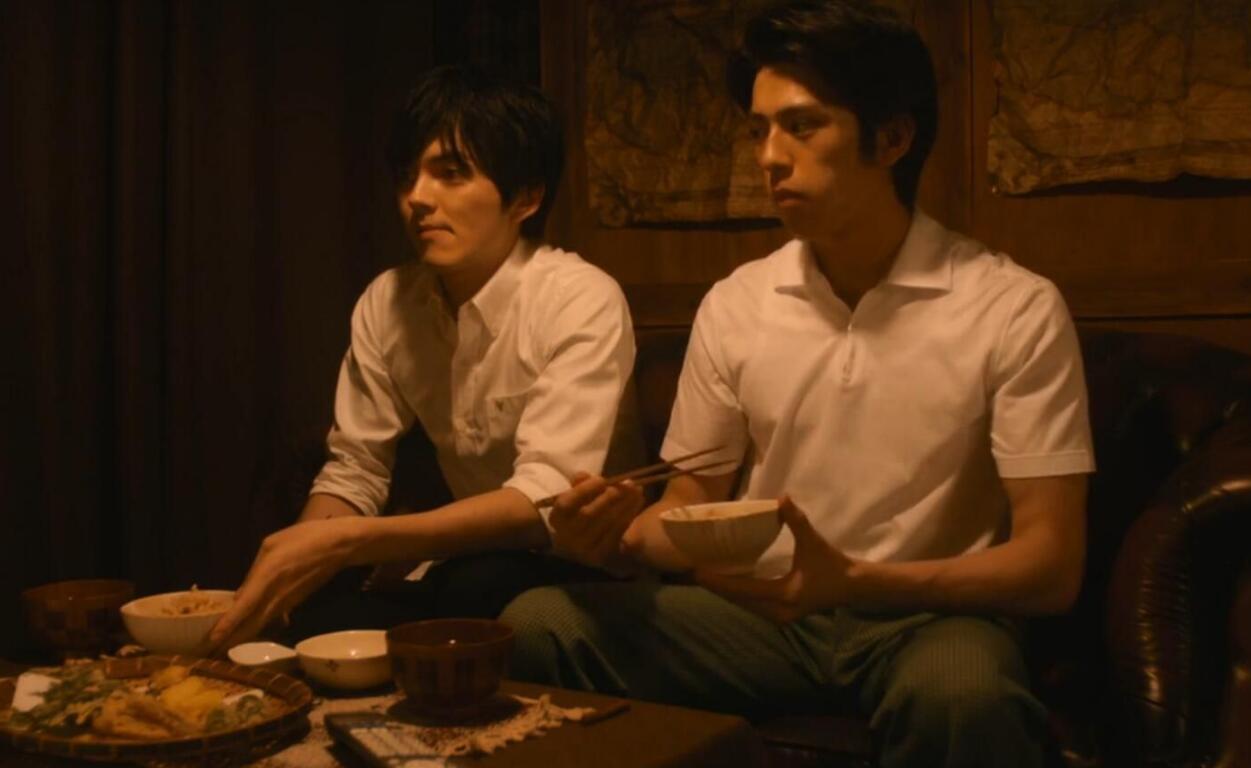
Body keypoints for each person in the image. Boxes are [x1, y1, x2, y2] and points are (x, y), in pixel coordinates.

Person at [499, 2, 1094, 766]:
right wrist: (616, 536)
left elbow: (1050, 563)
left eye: (802, 127)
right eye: (758, 130)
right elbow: (689, 501)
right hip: (760, 615)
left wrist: (855, 580)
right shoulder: (738, 302)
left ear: (892, 138)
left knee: (961, 693)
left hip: (923, 619)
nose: (769, 157)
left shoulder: (1010, 306)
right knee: (539, 623)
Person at [209, 65, 642, 652]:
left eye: (451, 174)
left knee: (473, 587)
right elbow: (356, 470)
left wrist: (353, 542)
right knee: (315, 618)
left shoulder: (579, 297)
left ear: (526, 197)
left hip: (580, 567)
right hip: (467, 563)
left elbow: (539, 499)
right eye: (407, 175)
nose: (417, 197)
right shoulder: (390, 301)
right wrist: (293, 568)